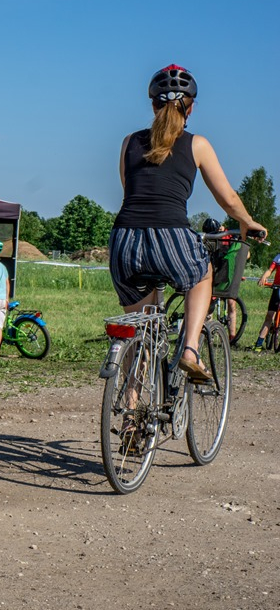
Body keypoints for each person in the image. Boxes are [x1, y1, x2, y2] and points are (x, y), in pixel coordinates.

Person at [109, 64, 266, 381]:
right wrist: (248, 222)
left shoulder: (128, 142)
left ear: (153, 104)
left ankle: (129, 403)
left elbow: (130, 190)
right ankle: (191, 350)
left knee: (141, 328)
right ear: (190, 107)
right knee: (201, 274)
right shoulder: (198, 144)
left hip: (124, 241)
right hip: (171, 236)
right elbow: (228, 199)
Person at [201, 216, 244, 344]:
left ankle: (232, 337)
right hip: (213, 271)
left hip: (227, 272)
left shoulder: (229, 236)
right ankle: (207, 333)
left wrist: (237, 272)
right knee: (208, 304)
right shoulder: (207, 240)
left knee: (231, 303)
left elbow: (243, 255)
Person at [252, 251, 280, 353]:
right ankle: (259, 343)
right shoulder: (278, 257)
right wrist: (264, 277)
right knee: (269, 316)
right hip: (277, 289)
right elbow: (270, 269)